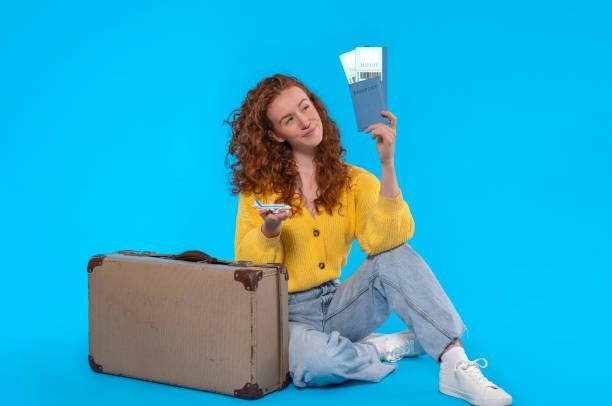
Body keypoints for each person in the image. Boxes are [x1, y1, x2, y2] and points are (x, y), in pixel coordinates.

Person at [225, 73, 512, 405]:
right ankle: (376, 347)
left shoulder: (354, 182)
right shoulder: (258, 192)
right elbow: (249, 269)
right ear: (276, 135)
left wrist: (387, 164)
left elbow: (385, 241)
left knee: (395, 256)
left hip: (338, 305)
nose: (305, 121)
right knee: (318, 365)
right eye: (290, 119)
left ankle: (454, 363)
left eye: (306, 107)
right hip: (286, 315)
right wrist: (269, 231)